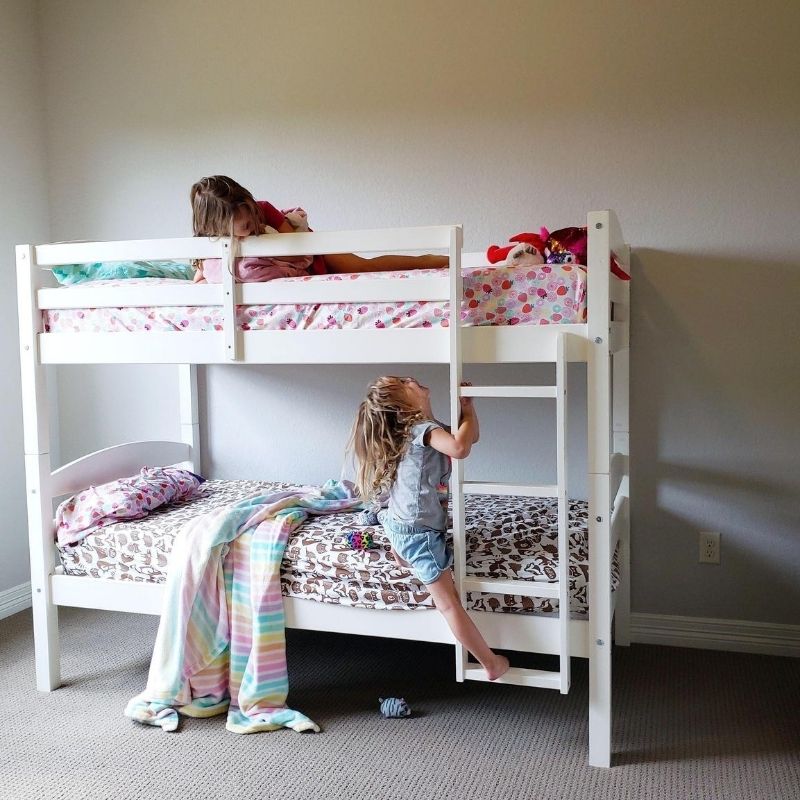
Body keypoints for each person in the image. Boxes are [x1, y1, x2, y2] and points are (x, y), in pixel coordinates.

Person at [350, 376, 510, 681]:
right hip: (418, 529)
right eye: (403, 382)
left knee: (403, 529)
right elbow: (460, 448)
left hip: (403, 520)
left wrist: (468, 411)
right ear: (403, 406)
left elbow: (469, 438)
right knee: (448, 604)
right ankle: (489, 663)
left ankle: (401, 550)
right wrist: (464, 421)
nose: (411, 378)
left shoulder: (425, 428)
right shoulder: (422, 430)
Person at [189, 175, 448, 282]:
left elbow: (297, 248)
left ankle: (432, 260)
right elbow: (201, 274)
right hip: (286, 265)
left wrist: (262, 233)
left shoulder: (263, 209)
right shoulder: (210, 242)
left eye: (248, 211)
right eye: (241, 223)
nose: (249, 221)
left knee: (362, 267)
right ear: (217, 225)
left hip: (311, 254)